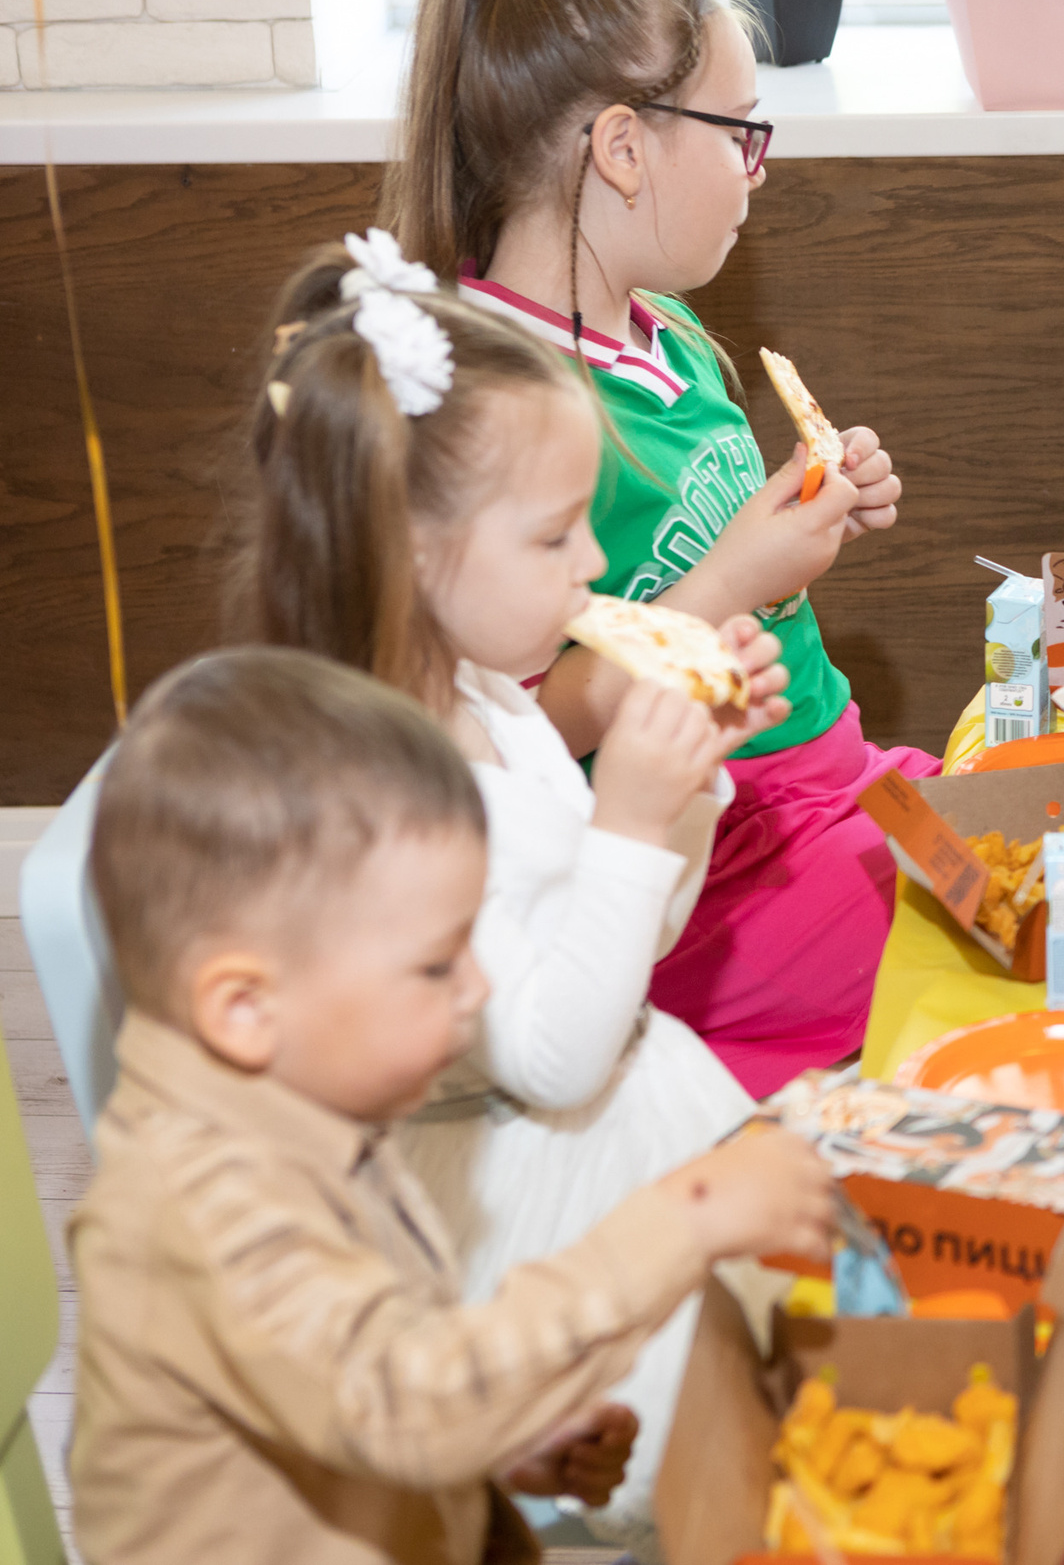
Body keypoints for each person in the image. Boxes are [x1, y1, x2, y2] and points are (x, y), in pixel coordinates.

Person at [236, 230, 785, 1548]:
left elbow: (613, 941)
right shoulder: (386, 799)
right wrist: (631, 815)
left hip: (618, 1120)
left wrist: (684, 788)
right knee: (734, 1432)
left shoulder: (489, 696)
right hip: (525, 1214)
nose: (595, 563)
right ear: (413, 554)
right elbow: (549, 1053)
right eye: (552, 534)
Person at [67, 646, 837, 1565]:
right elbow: (403, 1404)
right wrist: (685, 1216)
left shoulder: (306, 1115)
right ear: (244, 1008)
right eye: (436, 966)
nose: (476, 990)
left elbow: (351, 1379)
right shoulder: (203, 1206)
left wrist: (492, 1452)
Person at [381, 0, 936, 1094]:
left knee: (1054, 817)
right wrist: (736, 576)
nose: (756, 169)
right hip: (701, 863)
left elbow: (706, 554)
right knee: (994, 940)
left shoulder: (671, 332)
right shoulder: (501, 400)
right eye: (740, 131)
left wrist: (807, 512)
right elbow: (520, 725)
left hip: (825, 778)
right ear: (624, 149)